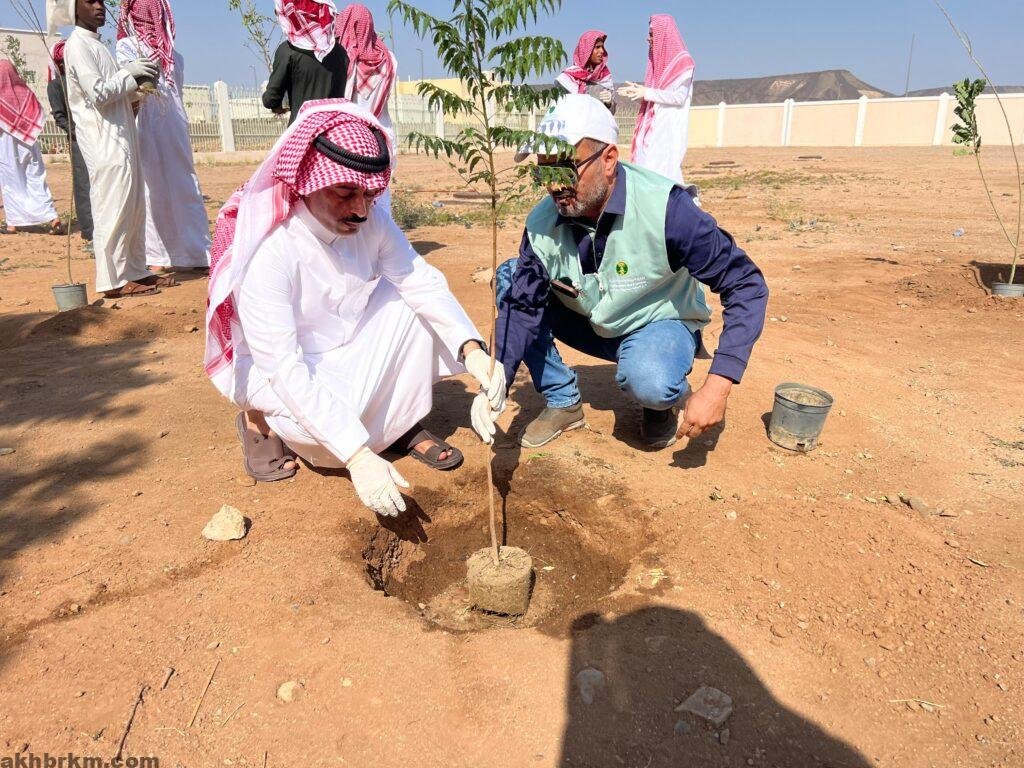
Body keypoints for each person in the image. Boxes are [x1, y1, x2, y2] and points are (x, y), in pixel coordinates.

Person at [204, 99, 504, 517]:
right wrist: (357, 455)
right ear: (308, 181)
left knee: (411, 300)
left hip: (348, 345)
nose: (361, 209)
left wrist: (473, 353)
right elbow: (283, 367)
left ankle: (394, 429)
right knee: (325, 443)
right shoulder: (269, 251)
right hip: (287, 370)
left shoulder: (371, 219)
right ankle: (265, 424)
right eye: (345, 193)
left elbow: (419, 281)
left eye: (368, 193)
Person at [479, 94, 767, 451]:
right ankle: (562, 399)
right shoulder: (542, 223)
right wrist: (499, 374)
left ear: (609, 159)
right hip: (591, 319)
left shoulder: (667, 210)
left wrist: (718, 386)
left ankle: (657, 403)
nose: (554, 186)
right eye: (544, 172)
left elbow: (746, 284)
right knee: (511, 278)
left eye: (564, 170)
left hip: (656, 323)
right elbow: (522, 309)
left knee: (651, 379)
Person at [58, 0, 177, 298]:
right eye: (90, 1)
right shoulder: (77, 46)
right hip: (103, 142)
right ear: (73, 9)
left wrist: (141, 84)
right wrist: (129, 74)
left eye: (101, 1)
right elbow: (99, 93)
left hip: (122, 138)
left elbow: (115, 96)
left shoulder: (97, 45)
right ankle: (113, 280)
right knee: (112, 208)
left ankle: (135, 270)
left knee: (133, 207)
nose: (100, 7)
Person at [115, 0, 211, 273]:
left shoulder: (128, 47)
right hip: (173, 124)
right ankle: (195, 253)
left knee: (155, 187)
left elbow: (129, 88)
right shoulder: (174, 56)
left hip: (147, 123)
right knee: (181, 184)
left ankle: (163, 256)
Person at [619, 14, 695, 186]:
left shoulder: (683, 63)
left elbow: (679, 97)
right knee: (646, 171)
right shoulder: (658, 65)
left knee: (663, 175)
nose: (648, 38)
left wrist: (646, 92)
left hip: (666, 129)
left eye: (652, 34)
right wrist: (640, 94)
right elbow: (656, 96)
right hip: (652, 127)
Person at [335, 3, 397, 210]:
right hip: (381, 132)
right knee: (378, 191)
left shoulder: (343, 58)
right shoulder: (389, 59)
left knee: (348, 192)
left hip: (350, 136)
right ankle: (380, 227)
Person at [0, 60, 64, 236]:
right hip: (29, 142)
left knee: (11, 182)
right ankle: (53, 218)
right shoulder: (25, 92)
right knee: (36, 178)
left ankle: (13, 224)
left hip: (6, 145)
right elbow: (38, 113)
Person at [262, 0, 349, 123]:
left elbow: (271, 99)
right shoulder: (340, 52)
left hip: (304, 128)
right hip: (336, 127)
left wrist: (272, 101)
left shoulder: (287, 50)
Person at [46, 39, 93, 247]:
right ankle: (89, 231)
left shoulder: (84, 79)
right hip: (78, 139)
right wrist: (76, 131)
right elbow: (59, 116)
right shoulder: (56, 85)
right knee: (84, 183)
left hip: (97, 135)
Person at [557, 30, 614, 112]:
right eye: (597, 47)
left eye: (602, 47)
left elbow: (610, 113)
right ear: (586, 50)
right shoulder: (567, 79)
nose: (602, 51)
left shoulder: (605, 78)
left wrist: (609, 103)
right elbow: (560, 109)